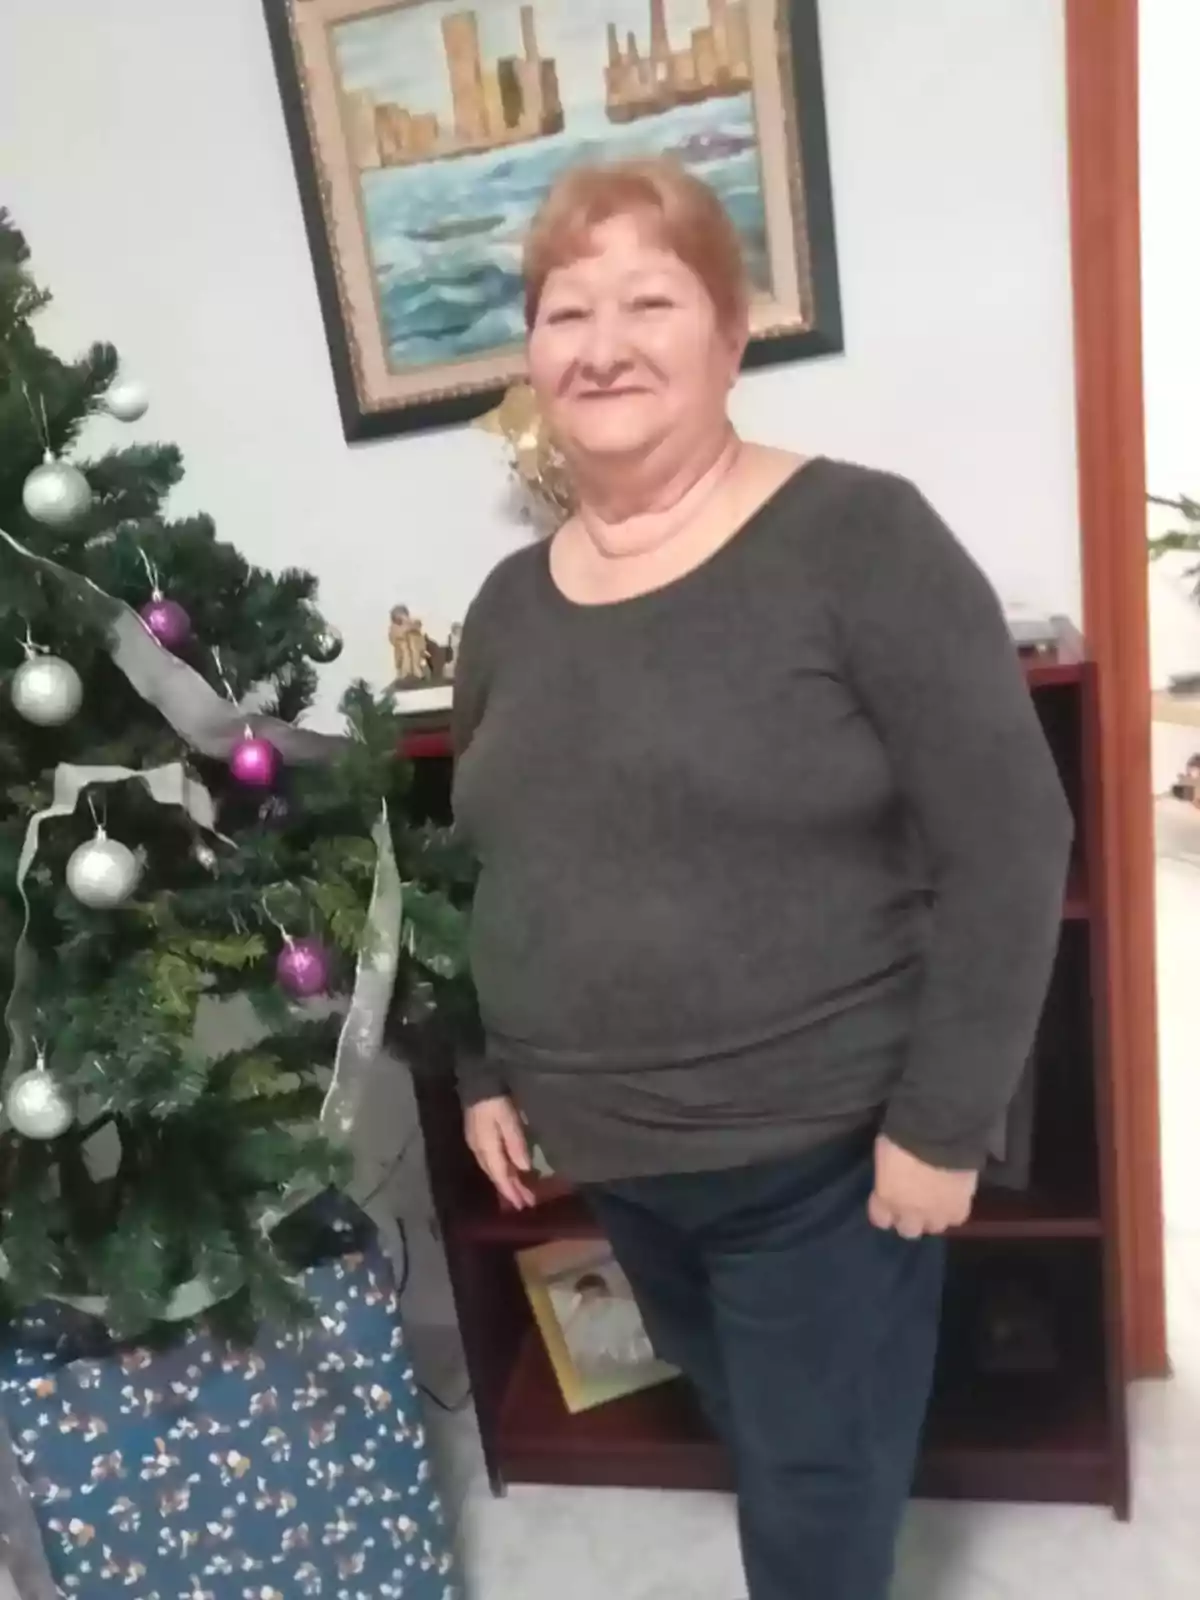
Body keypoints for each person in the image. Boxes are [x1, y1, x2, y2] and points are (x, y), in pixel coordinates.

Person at [451, 158, 1073, 1600]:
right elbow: (469, 862)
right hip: (621, 1164)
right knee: (776, 1440)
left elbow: (1011, 837)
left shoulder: (860, 539)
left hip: (823, 1163)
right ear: (533, 359)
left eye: (647, 301)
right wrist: (483, 1064)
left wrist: (943, 1122)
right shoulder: (507, 606)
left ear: (731, 337)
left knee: (811, 1513)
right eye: (563, 311)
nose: (600, 344)